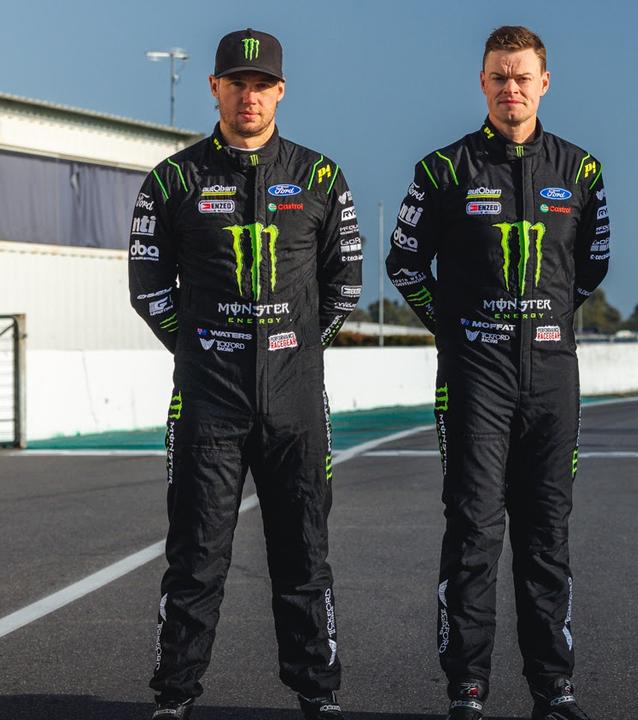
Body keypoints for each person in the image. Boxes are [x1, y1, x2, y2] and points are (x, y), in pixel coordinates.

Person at [128, 27, 359, 720]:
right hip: (208, 398)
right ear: (214, 88)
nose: (248, 95)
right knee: (196, 556)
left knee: (304, 553)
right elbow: (148, 288)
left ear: (280, 91)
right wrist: (201, 349)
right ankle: (174, 695)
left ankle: (316, 692)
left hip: (295, 400)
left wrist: (292, 352)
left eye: (261, 85)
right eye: (236, 82)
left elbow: (342, 286)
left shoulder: (320, 177)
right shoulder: (172, 179)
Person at [384, 25, 608, 720]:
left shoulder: (580, 170)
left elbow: (589, 269)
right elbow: (403, 265)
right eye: (498, 78)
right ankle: (467, 687)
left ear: (545, 82)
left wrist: (538, 326)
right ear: (481, 84)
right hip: (473, 379)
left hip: (551, 379)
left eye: (522, 78)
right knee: (474, 531)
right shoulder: (442, 170)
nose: (510, 89)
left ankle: (554, 687)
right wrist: (455, 328)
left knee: (547, 536)